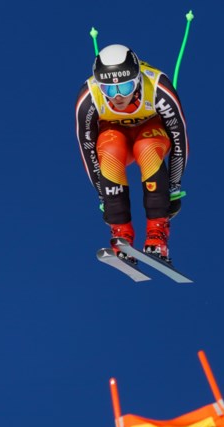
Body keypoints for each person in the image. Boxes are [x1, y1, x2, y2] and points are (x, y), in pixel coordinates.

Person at [75, 44, 189, 265]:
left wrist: (173, 188)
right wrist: (104, 196)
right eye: (109, 89)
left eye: (125, 88)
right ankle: (121, 234)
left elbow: (179, 140)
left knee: (146, 149)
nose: (118, 97)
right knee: (109, 151)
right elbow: (86, 148)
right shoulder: (88, 97)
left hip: (150, 131)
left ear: (136, 80)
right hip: (116, 136)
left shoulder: (157, 87)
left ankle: (157, 233)